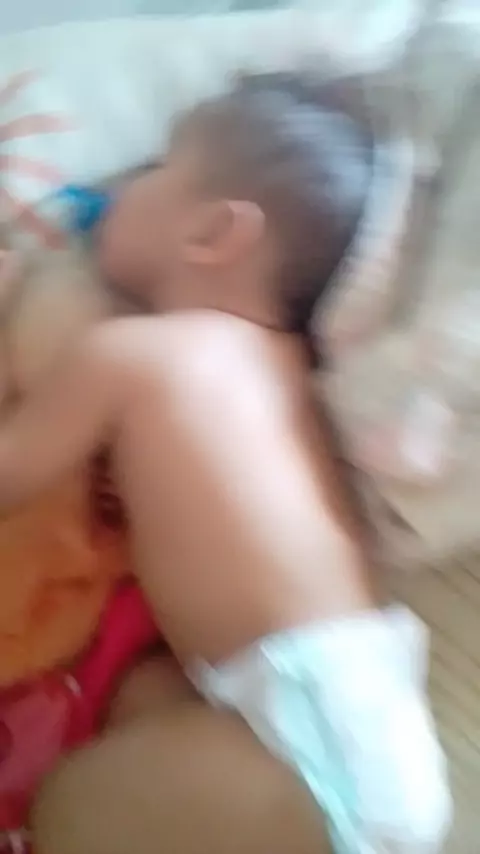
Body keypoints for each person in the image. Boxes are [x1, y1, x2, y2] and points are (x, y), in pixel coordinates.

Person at [0, 75, 450, 854]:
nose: (121, 185)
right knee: (137, 701)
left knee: (78, 801)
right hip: (360, 720)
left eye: (155, 170)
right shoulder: (289, 374)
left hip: (296, 750)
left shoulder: (133, 353)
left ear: (214, 231)